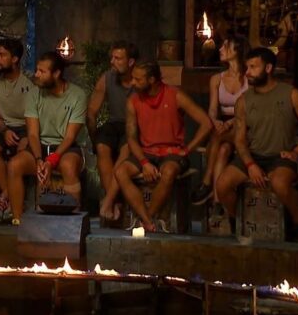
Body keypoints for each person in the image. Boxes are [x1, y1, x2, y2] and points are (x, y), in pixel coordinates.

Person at [215, 47, 298, 242]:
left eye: (253, 67)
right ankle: (238, 220)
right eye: (247, 67)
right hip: (253, 155)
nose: (247, 72)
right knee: (222, 186)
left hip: (280, 157)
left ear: (269, 68)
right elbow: (239, 140)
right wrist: (250, 165)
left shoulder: (291, 94)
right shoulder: (243, 101)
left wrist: (297, 152)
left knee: (280, 184)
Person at [114, 60, 212, 233]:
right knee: (121, 172)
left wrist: (188, 149)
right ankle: (147, 220)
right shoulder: (133, 101)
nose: (133, 82)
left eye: (138, 79)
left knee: (168, 171)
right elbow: (131, 138)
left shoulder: (175, 95)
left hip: (172, 152)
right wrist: (144, 162)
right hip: (146, 152)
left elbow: (206, 123)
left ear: (152, 80)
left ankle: (148, 217)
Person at [7, 52, 87, 226]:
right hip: (40, 146)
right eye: (37, 70)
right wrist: (39, 160)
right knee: (14, 165)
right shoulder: (33, 93)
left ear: (56, 74)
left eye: (42, 71)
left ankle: (72, 224)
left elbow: (70, 136)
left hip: (65, 147)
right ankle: (18, 221)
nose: (36, 74)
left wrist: (52, 161)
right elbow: (33, 134)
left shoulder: (77, 95)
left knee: (68, 166)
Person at [192, 36, 249, 205]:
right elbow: (212, 109)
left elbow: (250, 109)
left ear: (237, 50)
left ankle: (206, 181)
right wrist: (214, 121)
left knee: (218, 136)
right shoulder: (217, 79)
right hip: (223, 125)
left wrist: (230, 123)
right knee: (223, 150)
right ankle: (218, 201)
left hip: (244, 124)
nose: (220, 49)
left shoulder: (249, 77)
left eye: (225, 46)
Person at [89, 41, 138, 221]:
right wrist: (94, 137)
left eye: (118, 58)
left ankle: (109, 201)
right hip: (114, 123)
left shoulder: (140, 79)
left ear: (130, 62)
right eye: (112, 57)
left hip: (134, 125)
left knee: (125, 149)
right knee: (102, 146)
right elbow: (91, 111)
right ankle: (115, 202)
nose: (112, 62)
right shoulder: (107, 78)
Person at [0, 39, 33, 223]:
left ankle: (4, 199)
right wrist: (4, 130)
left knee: (21, 153)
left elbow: (39, 112)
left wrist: (29, 136)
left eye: (2, 55)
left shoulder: (31, 79)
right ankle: (8, 196)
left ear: (15, 59)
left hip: (28, 126)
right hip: (4, 126)